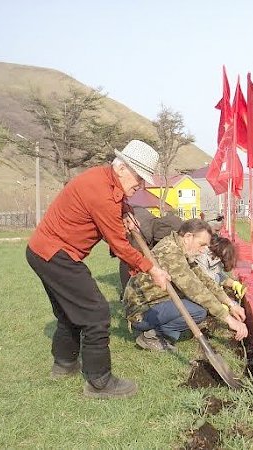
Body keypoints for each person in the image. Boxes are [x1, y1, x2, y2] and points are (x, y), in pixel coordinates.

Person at [26, 139, 170, 399]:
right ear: (123, 168)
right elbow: (120, 245)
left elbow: (117, 202)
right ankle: (99, 382)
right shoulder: (102, 193)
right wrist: (153, 269)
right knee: (97, 313)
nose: (141, 185)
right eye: (139, 178)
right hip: (55, 254)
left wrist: (126, 208)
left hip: (42, 251)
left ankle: (64, 365)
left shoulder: (104, 179)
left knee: (70, 311)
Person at [122, 219, 248, 352]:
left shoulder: (180, 247)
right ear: (188, 237)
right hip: (141, 313)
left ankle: (160, 331)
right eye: (202, 244)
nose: (203, 250)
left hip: (156, 303)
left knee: (201, 307)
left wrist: (230, 304)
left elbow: (204, 279)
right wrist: (229, 320)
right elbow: (196, 289)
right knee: (198, 310)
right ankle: (152, 336)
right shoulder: (170, 252)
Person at [195, 234, 247, 301]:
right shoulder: (202, 256)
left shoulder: (215, 259)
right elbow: (208, 281)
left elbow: (219, 275)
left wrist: (234, 284)